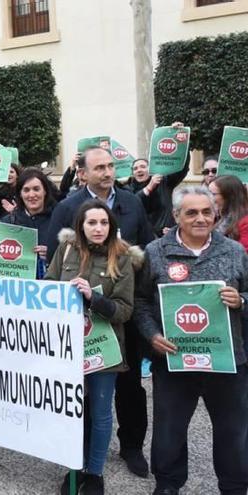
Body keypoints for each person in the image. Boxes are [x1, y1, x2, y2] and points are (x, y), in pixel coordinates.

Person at [44, 145, 155, 477]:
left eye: (111, 166)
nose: (108, 172)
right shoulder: (68, 207)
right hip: (77, 328)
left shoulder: (132, 202)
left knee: (131, 386)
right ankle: (83, 462)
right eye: (100, 167)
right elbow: (54, 263)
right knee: (83, 399)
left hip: (121, 313)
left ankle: (131, 447)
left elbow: (146, 250)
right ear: (83, 172)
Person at [133, 185, 248, 494]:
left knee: (234, 433)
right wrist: (152, 335)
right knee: (169, 431)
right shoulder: (155, 252)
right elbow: (141, 301)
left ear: (217, 214)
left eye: (206, 212)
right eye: (192, 212)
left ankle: (235, 487)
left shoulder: (235, 252)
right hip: (174, 361)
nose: (200, 218)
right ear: (176, 216)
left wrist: (241, 301)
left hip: (228, 361)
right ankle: (168, 485)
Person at [46, 200, 137, 495]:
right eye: (91, 223)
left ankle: (95, 473)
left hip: (103, 349)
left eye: (104, 223)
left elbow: (125, 311)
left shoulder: (121, 257)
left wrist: (93, 298)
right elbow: (47, 286)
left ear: (111, 226)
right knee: (72, 411)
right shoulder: (67, 250)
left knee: (100, 413)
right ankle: (74, 465)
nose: (98, 228)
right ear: (80, 226)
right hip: (68, 348)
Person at [0, 168, 58, 277]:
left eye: (36, 189)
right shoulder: (8, 222)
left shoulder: (59, 219)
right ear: (20, 193)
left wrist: (53, 253)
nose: (31, 195)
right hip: (19, 288)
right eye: (26, 190)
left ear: (45, 191)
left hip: (50, 287)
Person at [209, 175, 248, 253]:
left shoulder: (245, 222)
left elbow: (242, 254)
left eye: (212, 194)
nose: (208, 197)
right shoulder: (218, 217)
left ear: (228, 196)